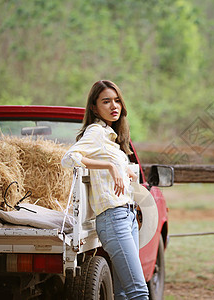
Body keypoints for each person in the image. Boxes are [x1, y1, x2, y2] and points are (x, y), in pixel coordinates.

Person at [61, 80, 149, 300]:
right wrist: (110, 166)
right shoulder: (96, 132)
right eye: (106, 101)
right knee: (138, 292)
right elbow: (69, 158)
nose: (114, 106)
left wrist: (124, 169)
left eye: (117, 100)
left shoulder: (112, 138)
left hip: (128, 217)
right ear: (94, 107)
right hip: (113, 218)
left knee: (122, 293)